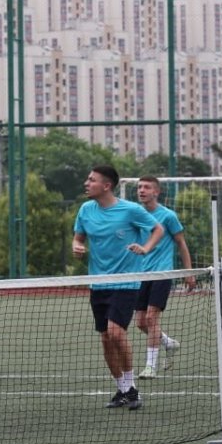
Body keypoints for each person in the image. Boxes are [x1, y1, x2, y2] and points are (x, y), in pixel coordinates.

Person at [72, 165, 164, 411]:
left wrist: (145, 248)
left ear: (106, 186)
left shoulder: (131, 210)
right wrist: (77, 247)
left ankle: (132, 387)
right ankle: (123, 389)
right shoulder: (85, 210)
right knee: (105, 338)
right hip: (98, 284)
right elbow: (78, 237)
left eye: (91, 180)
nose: (86, 183)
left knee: (115, 332)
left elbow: (158, 229)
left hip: (126, 283)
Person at [133, 176, 195, 380]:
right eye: (140, 187)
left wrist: (189, 272)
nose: (142, 190)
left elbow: (181, 244)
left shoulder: (168, 216)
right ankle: (168, 343)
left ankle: (151, 366)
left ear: (156, 192)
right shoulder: (135, 215)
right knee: (141, 322)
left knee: (151, 318)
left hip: (162, 273)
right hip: (141, 275)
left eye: (147, 187)